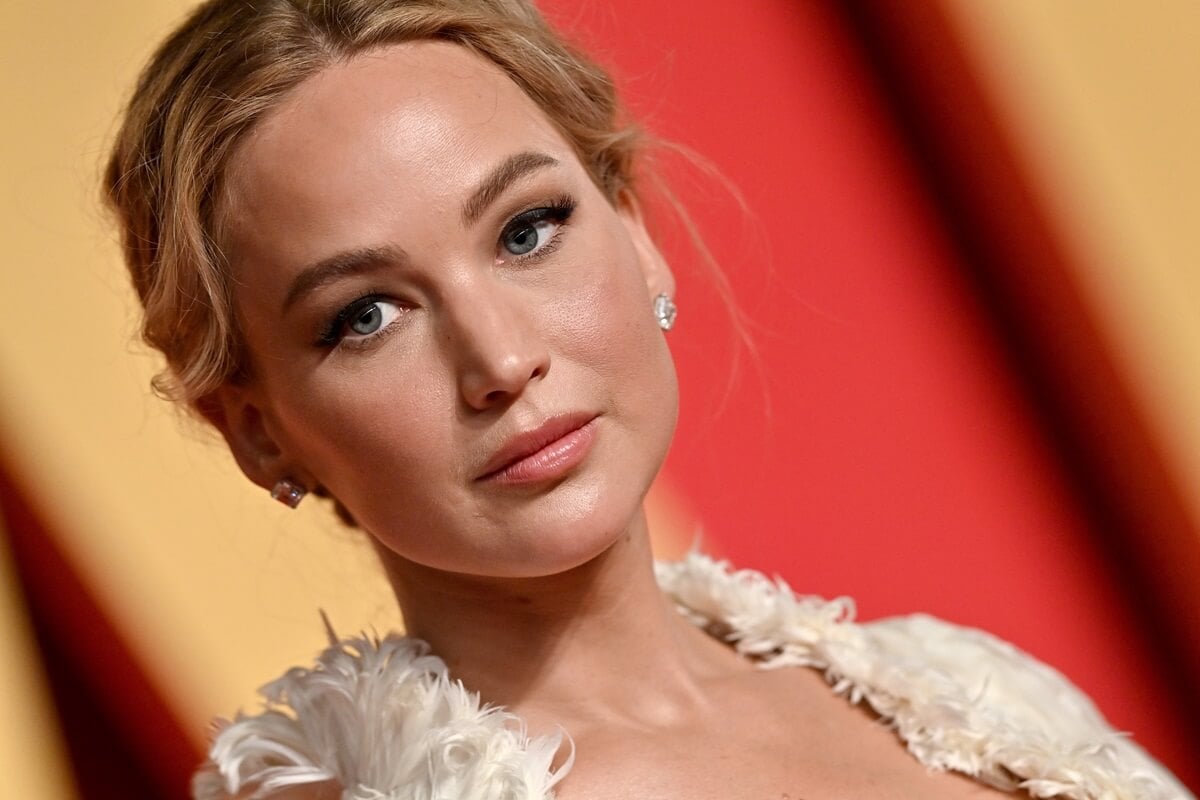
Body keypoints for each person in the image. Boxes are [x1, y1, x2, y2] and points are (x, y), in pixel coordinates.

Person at [104, 1, 1193, 798]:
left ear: (633, 230)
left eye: (527, 231)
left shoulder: (969, 688)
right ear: (255, 430)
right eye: (366, 315)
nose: (499, 359)